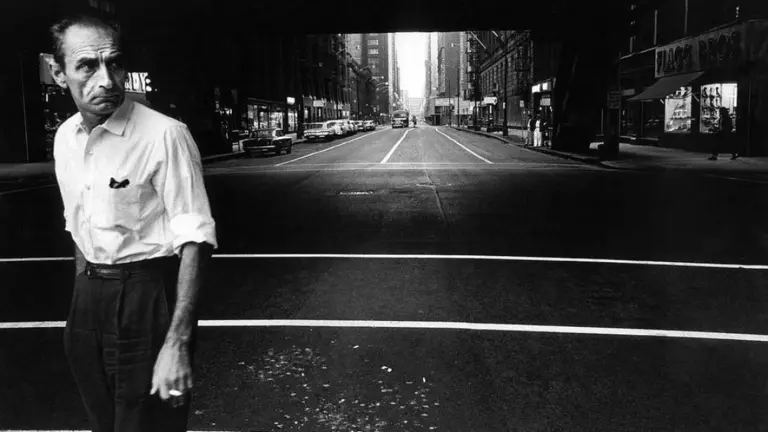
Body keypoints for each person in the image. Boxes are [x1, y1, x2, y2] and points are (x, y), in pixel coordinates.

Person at [49, 12, 217, 432]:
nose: (106, 79)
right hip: (87, 300)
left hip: (144, 297)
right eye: (87, 65)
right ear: (58, 72)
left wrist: (177, 342)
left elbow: (195, 239)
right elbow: (77, 223)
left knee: (146, 424)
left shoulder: (165, 135)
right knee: (103, 423)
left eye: (115, 63)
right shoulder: (65, 138)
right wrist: (80, 302)